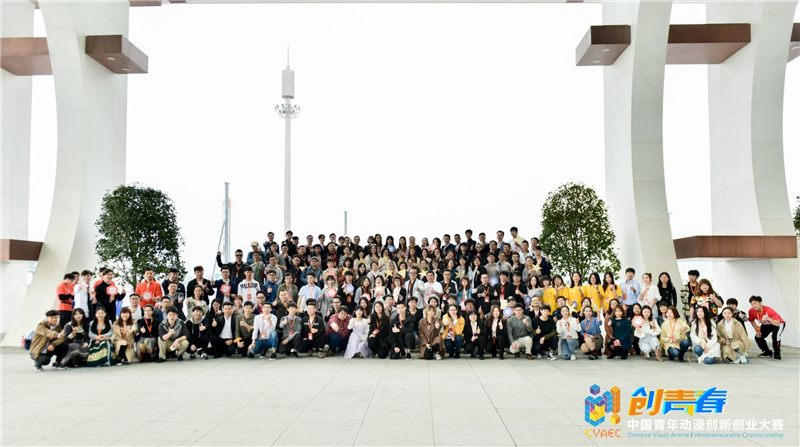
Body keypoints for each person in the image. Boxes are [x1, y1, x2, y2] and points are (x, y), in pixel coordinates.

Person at [748, 295, 785, 361]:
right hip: (766, 324)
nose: (753, 305)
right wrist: (757, 331)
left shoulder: (769, 310)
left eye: (755, 303)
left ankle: (777, 352)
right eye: (752, 304)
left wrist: (768, 318)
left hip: (777, 324)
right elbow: (752, 320)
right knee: (758, 337)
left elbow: (778, 323)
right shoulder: (751, 311)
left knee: (775, 337)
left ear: (761, 303)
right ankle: (767, 351)